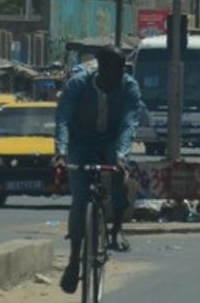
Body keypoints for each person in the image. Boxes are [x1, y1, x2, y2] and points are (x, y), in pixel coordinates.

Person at [54, 47, 141, 296]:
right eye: (117, 69)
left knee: (119, 173)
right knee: (80, 200)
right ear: (102, 68)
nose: (122, 74)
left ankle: (116, 231)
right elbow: (63, 118)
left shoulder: (129, 87)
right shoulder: (77, 85)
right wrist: (61, 151)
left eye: (124, 69)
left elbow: (128, 123)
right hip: (81, 143)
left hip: (111, 141)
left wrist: (122, 156)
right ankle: (74, 260)